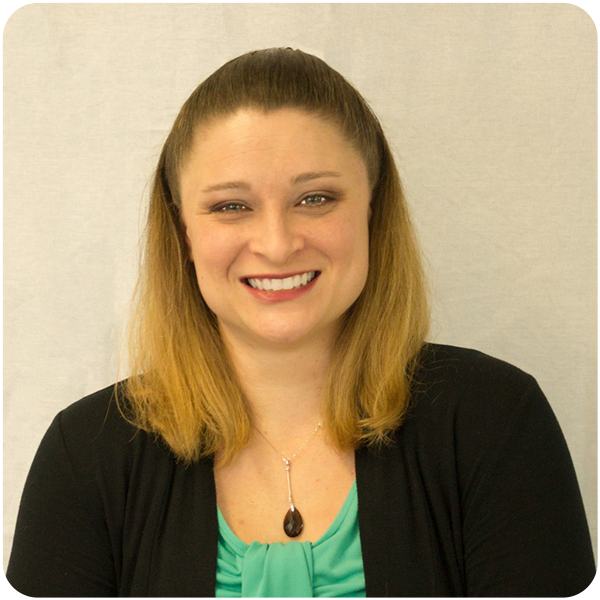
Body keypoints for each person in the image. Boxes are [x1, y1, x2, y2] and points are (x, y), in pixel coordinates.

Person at [5, 47, 596, 598]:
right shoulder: (83, 458)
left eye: (314, 198)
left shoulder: (496, 423)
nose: (277, 243)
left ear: (373, 208)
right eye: (230, 206)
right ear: (182, 231)